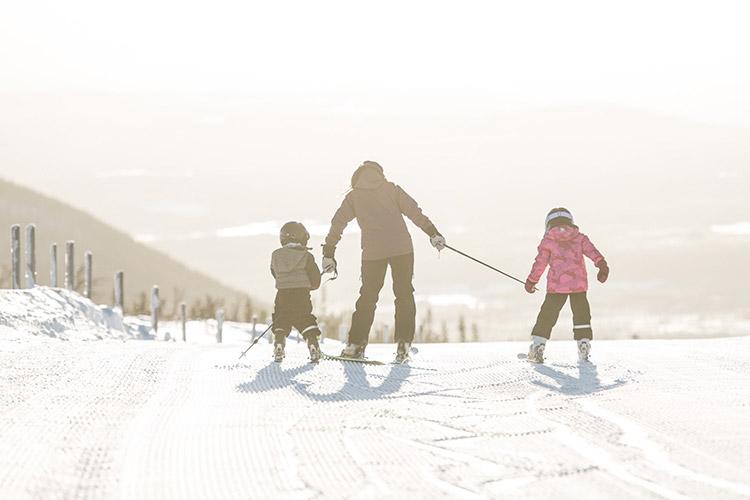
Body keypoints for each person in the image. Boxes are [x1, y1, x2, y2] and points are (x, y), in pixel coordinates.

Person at [322, 161, 445, 363]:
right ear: (380, 174)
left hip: (373, 253)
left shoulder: (354, 196)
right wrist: (433, 233)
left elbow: (338, 223)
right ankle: (403, 345)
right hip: (402, 250)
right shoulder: (392, 189)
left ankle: (355, 345)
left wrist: (329, 251)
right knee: (404, 294)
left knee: (367, 297)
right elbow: (415, 212)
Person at [524, 207, 609, 363]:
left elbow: (540, 263)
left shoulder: (548, 241)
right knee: (581, 314)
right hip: (579, 285)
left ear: (548, 224)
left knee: (547, 315)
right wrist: (602, 265)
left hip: (556, 287)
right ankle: (583, 344)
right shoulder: (580, 238)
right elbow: (593, 252)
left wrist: (531, 281)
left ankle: (538, 346)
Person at [270, 221, 322, 363]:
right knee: (305, 319)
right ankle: (313, 344)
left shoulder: (275, 255)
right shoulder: (307, 256)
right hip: (301, 295)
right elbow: (315, 278)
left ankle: (279, 343)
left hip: (282, 294)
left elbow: (274, 272)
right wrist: (312, 286)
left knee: (281, 319)